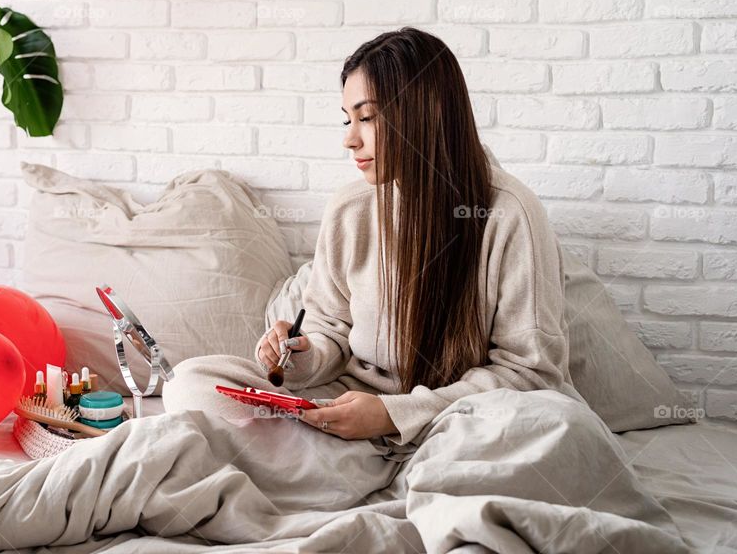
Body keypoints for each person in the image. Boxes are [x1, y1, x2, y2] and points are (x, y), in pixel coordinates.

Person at [162, 26, 582, 461]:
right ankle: (331, 460)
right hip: (350, 404)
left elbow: (532, 374)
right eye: (347, 119)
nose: (350, 138)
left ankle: (330, 463)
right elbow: (330, 329)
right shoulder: (350, 208)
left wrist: (393, 414)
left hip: (455, 417)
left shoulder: (509, 213)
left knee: (554, 429)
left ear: (425, 112)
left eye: (367, 117)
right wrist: (301, 353)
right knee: (192, 383)